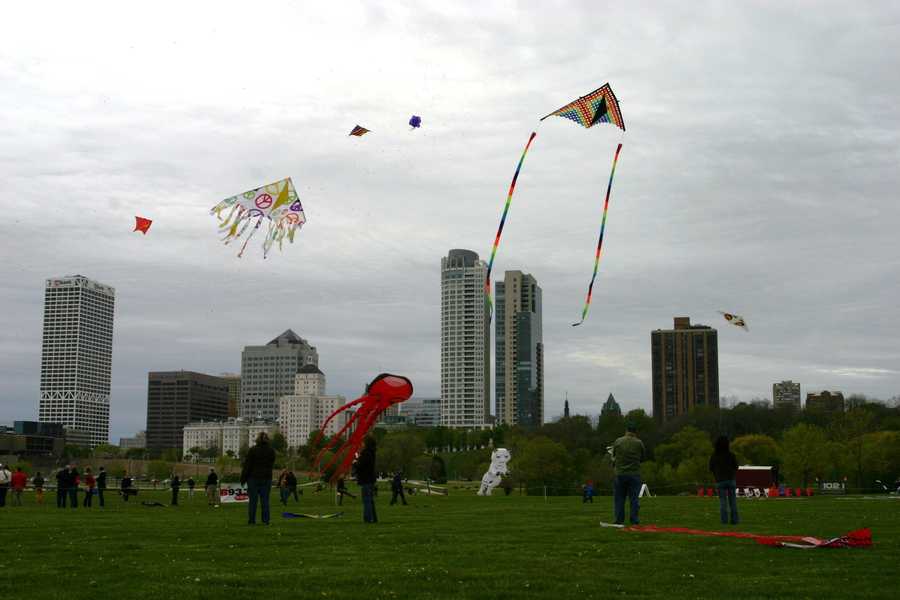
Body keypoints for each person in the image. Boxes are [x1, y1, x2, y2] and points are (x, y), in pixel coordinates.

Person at [612, 422, 645, 525]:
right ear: (635, 432)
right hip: (634, 474)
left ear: (626, 430)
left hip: (620, 474)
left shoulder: (618, 441)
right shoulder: (639, 443)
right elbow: (642, 458)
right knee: (634, 499)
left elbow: (613, 456)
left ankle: (619, 520)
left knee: (619, 499)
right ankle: (634, 520)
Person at [241, 431, 276, 525]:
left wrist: (243, 479)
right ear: (267, 440)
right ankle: (266, 520)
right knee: (265, 501)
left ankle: (252, 520)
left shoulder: (253, 450)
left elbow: (247, 465)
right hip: (266, 478)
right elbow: (271, 464)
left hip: (253, 478)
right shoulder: (271, 451)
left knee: (253, 501)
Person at [709, 435, 740, 525]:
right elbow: (736, 467)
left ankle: (724, 521)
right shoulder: (731, 455)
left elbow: (711, 468)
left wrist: (716, 474)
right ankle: (735, 520)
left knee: (723, 502)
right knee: (733, 501)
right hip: (731, 480)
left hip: (720, 480)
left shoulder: (714, 456)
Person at [355, 435, 378, 523]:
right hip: (370, 479)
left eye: (363, 442)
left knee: (367, 500)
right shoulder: (371, 452)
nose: (362, 444)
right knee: (370, 500)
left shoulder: (366, 453)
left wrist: (355, 461)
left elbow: (360, 465)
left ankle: (368, 518)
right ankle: (373, 518)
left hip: (366, 480)